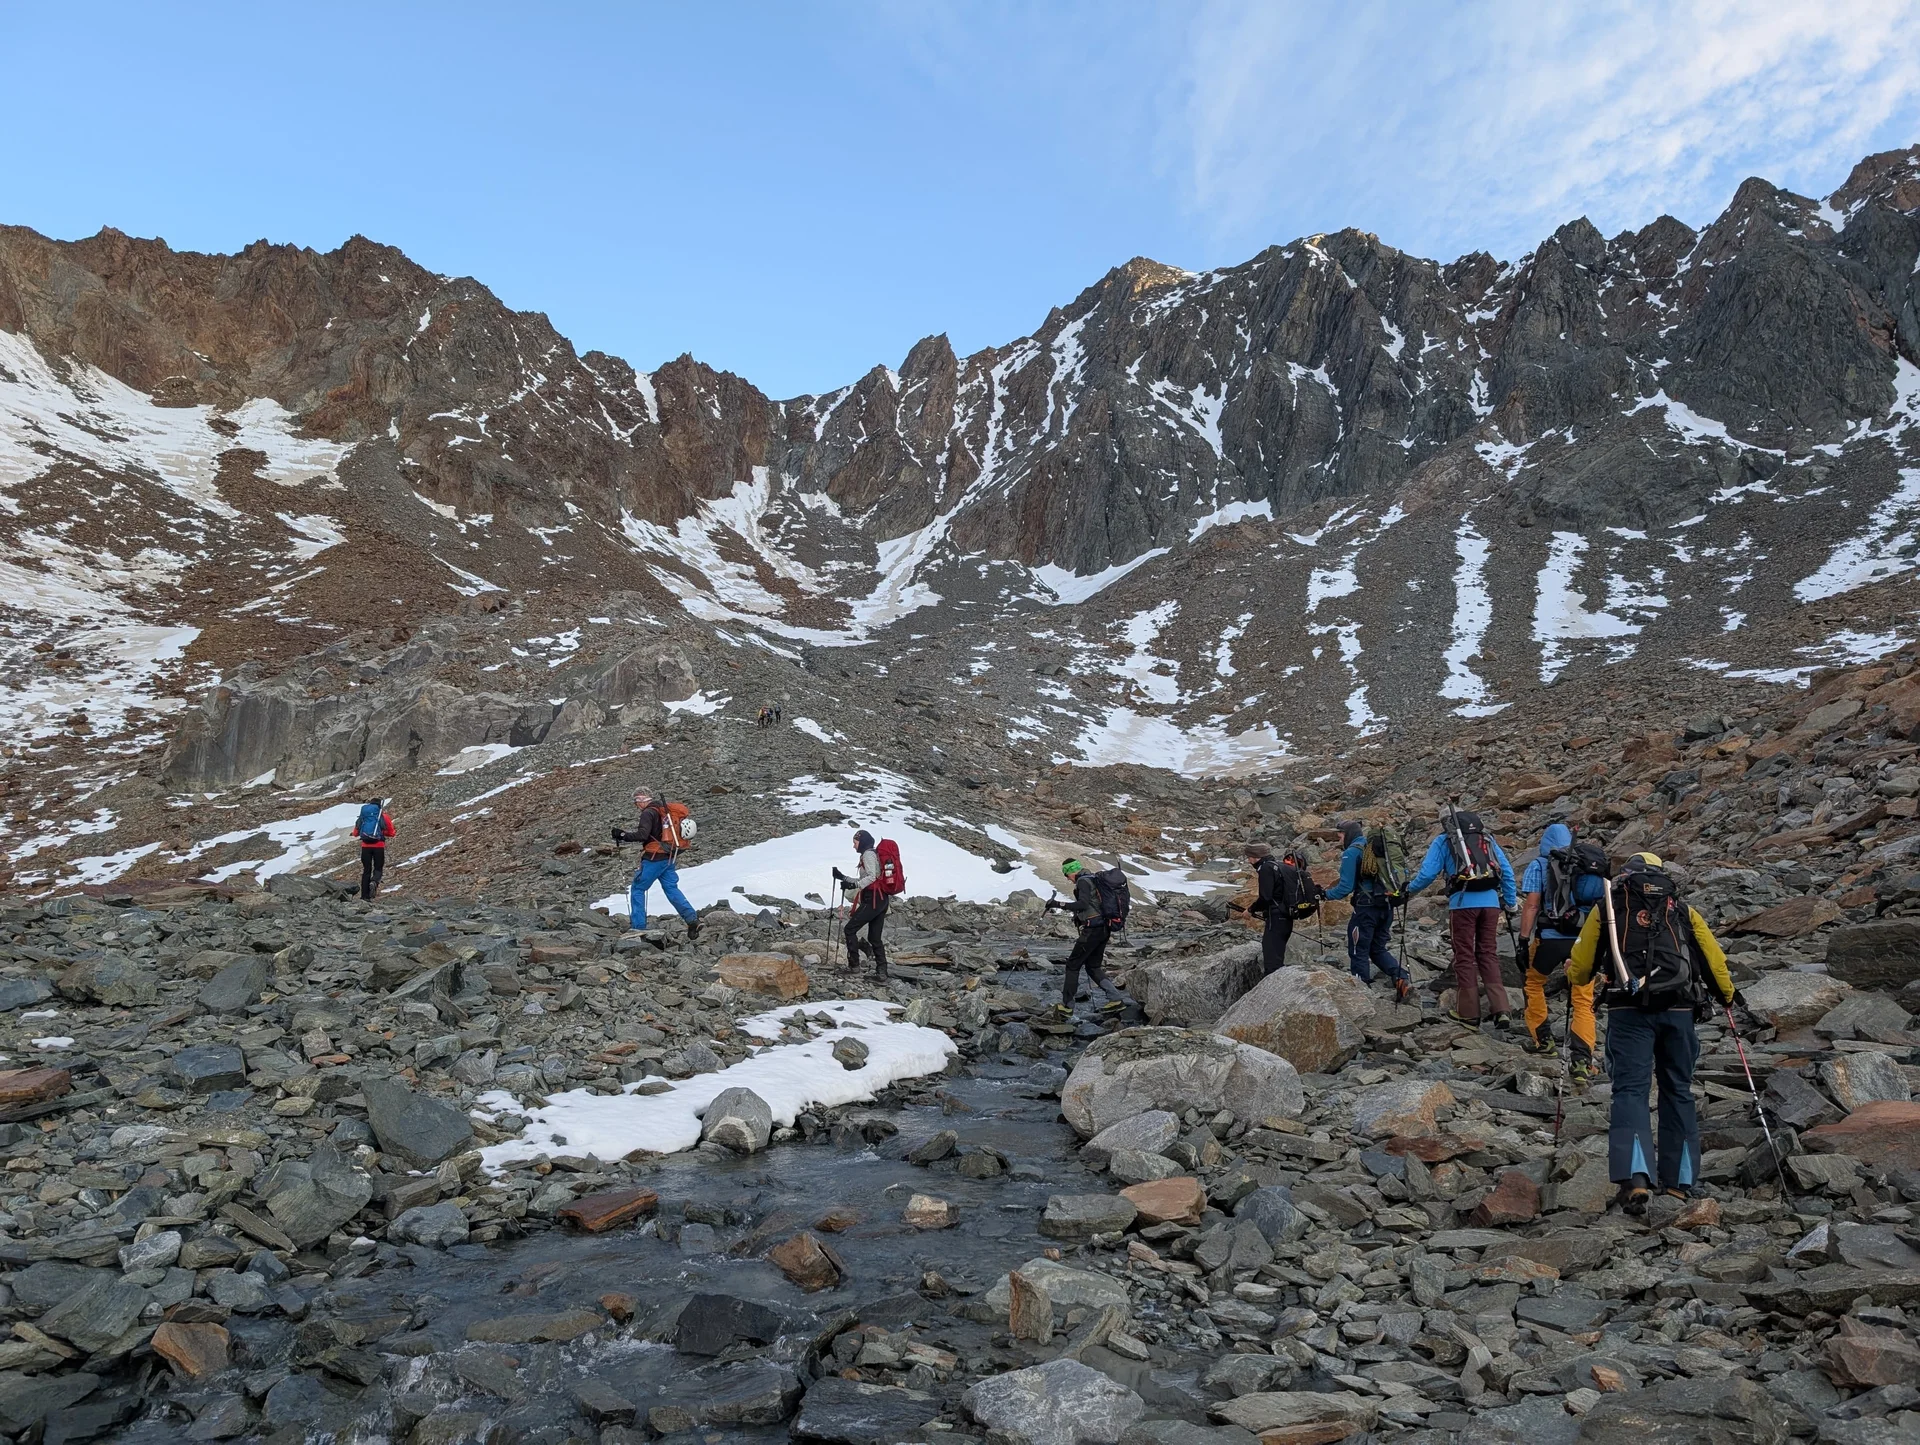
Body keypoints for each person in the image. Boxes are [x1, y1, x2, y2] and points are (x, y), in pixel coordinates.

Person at [1565, 852, 1739, 1215]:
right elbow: (1714, 961)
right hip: (1679, 1011)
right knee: (1678, 1089)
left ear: (1626, 875)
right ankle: (1680, 1181)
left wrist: (1572, 974)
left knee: (1631, 1090)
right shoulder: (1682, 910)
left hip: (1629, 1013)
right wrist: (1726, 997)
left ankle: (1636, 1179)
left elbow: (1581, 970)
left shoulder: (1610, 909)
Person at [1404, 808, 1518, 1027]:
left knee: (1465, 956)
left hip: (1463, 903)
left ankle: (1469, 1013)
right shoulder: (1487, 838)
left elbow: (1427, 874)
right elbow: (1506, 871)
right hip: (1491, 903)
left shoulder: (1444, 841)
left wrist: (1409, 890)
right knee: (1488, 953)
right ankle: (1502, 1009)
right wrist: (1511, 903)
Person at [1517, 821, 1599, 1083]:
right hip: (1583, 942)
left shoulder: (1540, 865)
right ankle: (1582, 1061)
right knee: (1583, 999)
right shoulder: (1587, 866)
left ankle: (1543, 1040)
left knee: (1533, 982)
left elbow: (1531, 905)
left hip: (1549, 939)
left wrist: (1523, 939)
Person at [1324, 821, 1413, 1003]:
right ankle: (1401, 977)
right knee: (1377, 948)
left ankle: (1361, 992)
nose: (1339, 839)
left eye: (1340, 834)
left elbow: (1345, 887)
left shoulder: (1352, 852)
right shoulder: (1378, 847)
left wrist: (1324, 894)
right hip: (1387, 906)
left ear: (1348, 834)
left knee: (1358, 949)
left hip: (1365, 909)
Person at [612, 789, 700, 940]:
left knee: (638, 889)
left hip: (654, 857)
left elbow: (643, 835)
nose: (636, 805)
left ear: (642, 799)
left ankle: (638, 928)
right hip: (669, 855)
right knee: (671, 888)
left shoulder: (648, 813)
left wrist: (622, 835)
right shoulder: (664, 810)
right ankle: (692, 920)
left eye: (636, 801)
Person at [1050, 857, 1127, 1014]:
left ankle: (1066, 1007)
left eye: (1067, 875)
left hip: (1093, 930)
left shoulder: (1083, 882)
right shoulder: (1094, 879)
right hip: (1105, 928)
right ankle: (1116, 999)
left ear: (1071, 872)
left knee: (1072, 965)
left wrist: (1058, 904)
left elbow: (1083, 904)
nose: (1067, 879)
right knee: (1093, 966)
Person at [832, 829, 889, 980]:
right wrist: (843, 877)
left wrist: (854, 885)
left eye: (855, 842)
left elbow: (872, 877)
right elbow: (869, 878)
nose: (853, 846)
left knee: (850, 929)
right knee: (875, 937)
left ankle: (854, 967)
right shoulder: (872, 854)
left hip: (873, 900)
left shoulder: (868, 855)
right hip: (882, 900)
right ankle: (882, 972)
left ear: (861, 842)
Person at [1244, 843, 1305, 976]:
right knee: (1278, 956)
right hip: (1287, 917)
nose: (1249, 861)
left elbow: (1265, 897)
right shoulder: (1280, 866)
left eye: (1249, 857)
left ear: (1256, 856)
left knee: (1272, 962)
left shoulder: (1266, 869)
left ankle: (1274, 992)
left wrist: (1250, 910)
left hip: (1275, 919)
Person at [352, 798, 394, 901]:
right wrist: (380, 833)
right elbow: (392, 833)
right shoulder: (382, 816)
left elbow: (355, 833)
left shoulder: (363, 817)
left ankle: (364, 897)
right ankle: (374, 881)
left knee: (366, 870)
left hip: (365, 846)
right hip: (378, 846)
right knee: (378, 868)